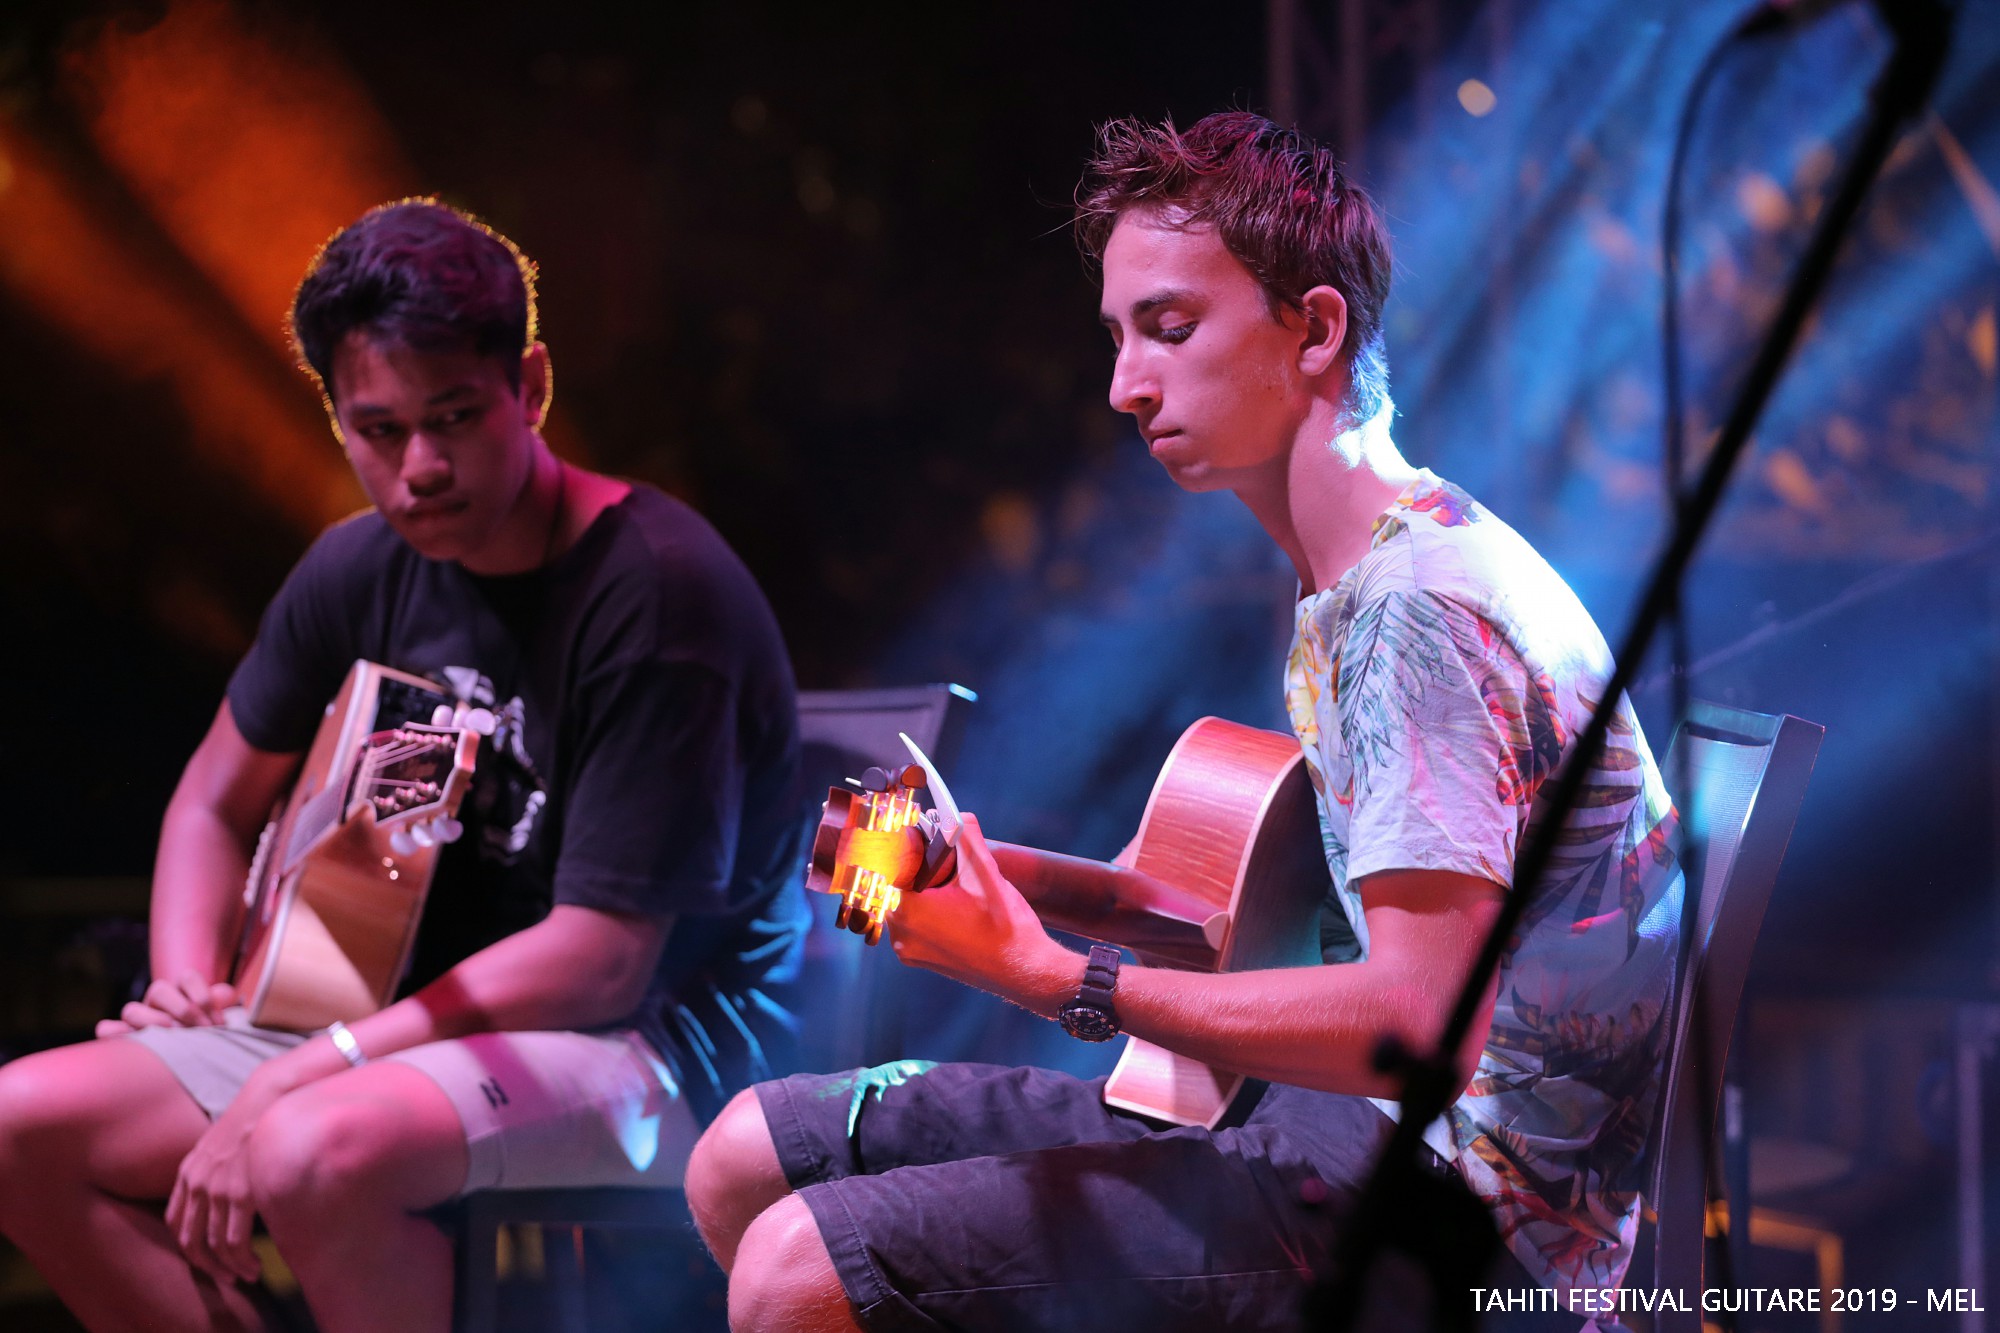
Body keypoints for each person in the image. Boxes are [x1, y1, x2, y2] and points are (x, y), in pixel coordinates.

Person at [683, 111, 1684, 1332]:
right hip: (1354, 1132)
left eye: (1167, 328)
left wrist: (1061, 980)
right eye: (1116, 337)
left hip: (1465, 1221)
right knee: (743, 1153)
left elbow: (1416, 1025)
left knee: (798, 1270)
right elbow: (1263, 933)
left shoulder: (1415, 610)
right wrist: (1008, 881)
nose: (1122, 385)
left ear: (1313, 328)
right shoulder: (1355, 576)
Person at [0, 199, 805, 1332]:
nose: (419, 466)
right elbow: (209, 804)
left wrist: (305, 1066)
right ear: (336, 421)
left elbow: (600, 963)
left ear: (529, 386)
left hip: (657, 1049)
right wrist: (189, 991)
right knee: (19, 1129)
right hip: (393, 1026)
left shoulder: (658, 590)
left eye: (455, 416)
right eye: (378, 430)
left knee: (313, 1148)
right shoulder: (358, 568)